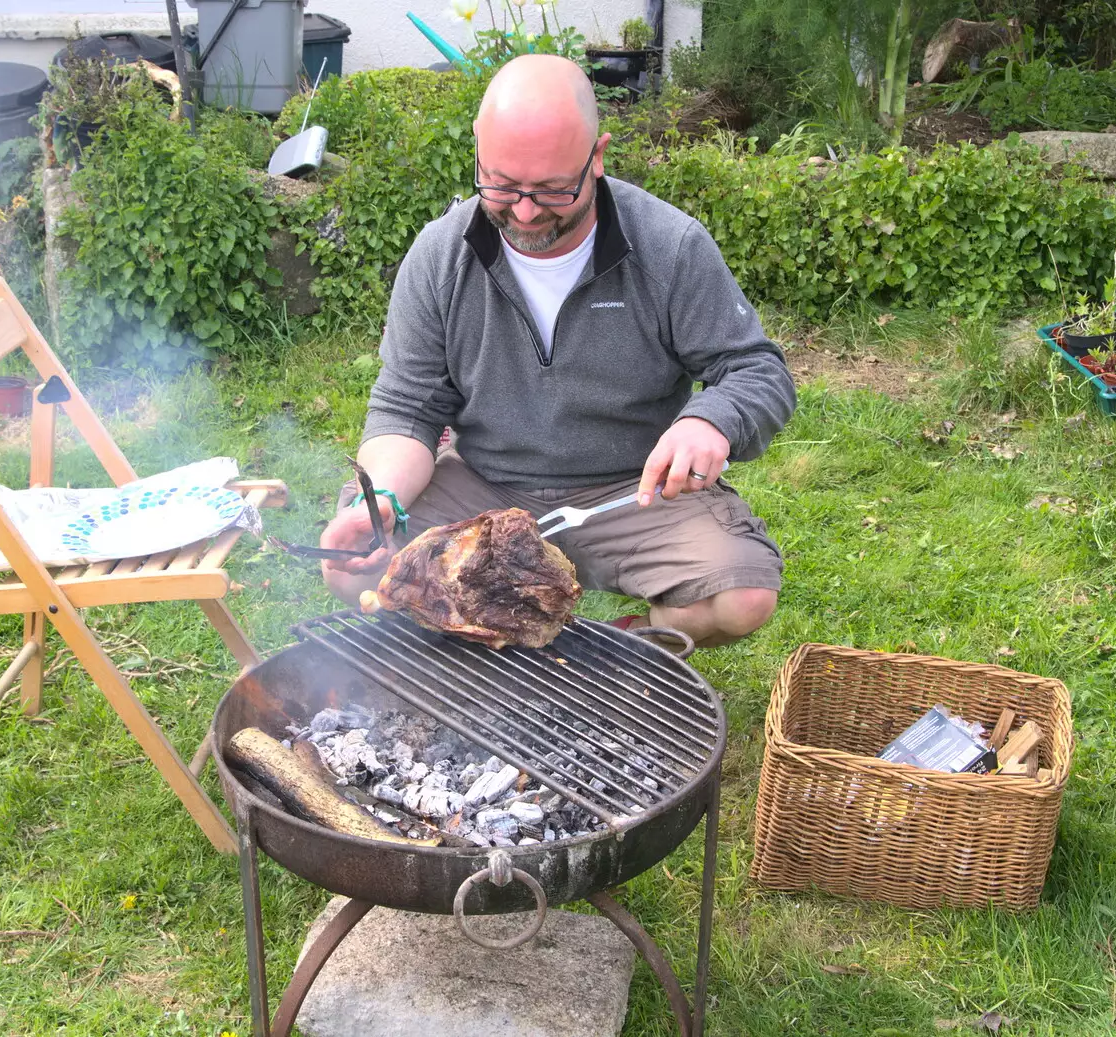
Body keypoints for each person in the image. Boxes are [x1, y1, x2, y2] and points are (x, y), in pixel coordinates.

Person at [318, 54, 796, 648]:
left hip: (630, 491)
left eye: (550, 189)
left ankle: (617, 649)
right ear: (478, 150)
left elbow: (755, 370)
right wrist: (384, 498)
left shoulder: (669, 246)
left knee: (740, 597)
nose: (522, 211)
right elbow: (407, 406)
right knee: (355, 565)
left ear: (597, 156)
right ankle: (487, 644)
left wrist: (711, 421)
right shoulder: (441, 254)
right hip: (483, 486)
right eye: (500, 184)